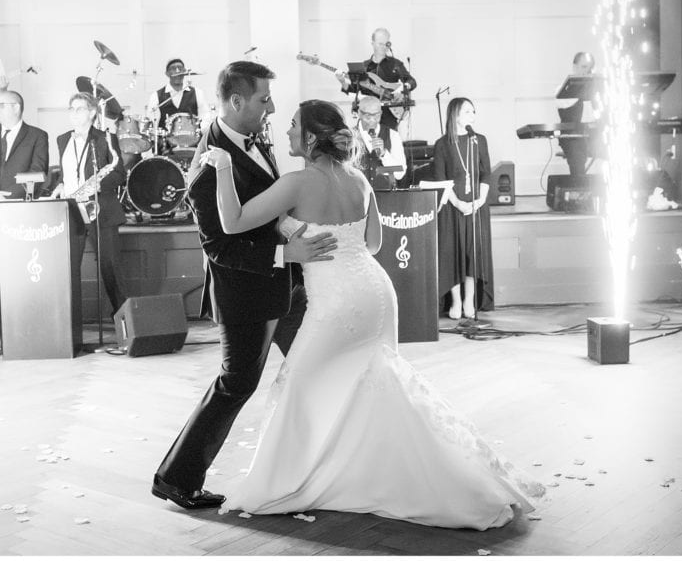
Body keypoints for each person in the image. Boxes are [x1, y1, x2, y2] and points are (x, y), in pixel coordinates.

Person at [198, 99, 542, 530]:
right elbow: (374, 243)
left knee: (301, 388)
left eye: (291, 126)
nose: (285, 131)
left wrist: (224, 167)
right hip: (376, 291)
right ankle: (398, 471)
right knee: (376, 388)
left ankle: (292, 482)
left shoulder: (297, 183)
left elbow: (231, 222)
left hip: (338, 302)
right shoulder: (358, 178)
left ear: (308, 138)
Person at [152, 61, 337, 510]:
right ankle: (177, 479)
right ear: (236, 102)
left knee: (316, 368)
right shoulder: (207, 162)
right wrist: (282, 254)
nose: (271, 107)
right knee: (237, 383)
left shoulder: (256, 140)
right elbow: (218, 245)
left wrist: (291, 231)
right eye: (263, 99)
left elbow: (268, 208)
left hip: (287, 286)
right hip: (247, 294)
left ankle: (328, 466)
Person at [50, 92, 129, 340]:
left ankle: (125, 327)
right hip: (73, 209)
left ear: (93, 112)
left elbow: (119, 175)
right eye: (71, 109)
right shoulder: (62, 139)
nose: (75, 113)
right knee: (68, 268)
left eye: (80, 108)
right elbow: (66, 173)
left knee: (110, 268)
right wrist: (61, 185)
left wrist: (99, 186)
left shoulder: (105, 138)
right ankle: (68, 327)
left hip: (101, 210)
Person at [433, 97, 494, 320]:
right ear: (455, 115)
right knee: (453, 253)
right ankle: (456, 301)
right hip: (452, 207)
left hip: (476, 206)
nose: (472, 115)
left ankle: (469, 300)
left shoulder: (479, 140)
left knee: (471, 254)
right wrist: (458, 203)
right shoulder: (442, 144)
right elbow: (440, 179)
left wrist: (479, 201)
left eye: (473, 111)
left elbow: (486, 173)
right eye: (467, 111)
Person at [0, 90, 49, 201]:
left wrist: (7, 197)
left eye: (1, 106)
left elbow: (37, 172)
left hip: (22, 204)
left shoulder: (37, 136)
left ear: (16, 108)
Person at [335, 27, 416, 131]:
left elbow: (411, 82)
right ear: (372, 43)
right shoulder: (364, 67)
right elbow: (352, 90)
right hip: (368, 115)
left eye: (386, 44)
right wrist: (342, 81)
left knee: (388, 144)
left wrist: (400, 90)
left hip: (389, 115)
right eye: (380, 44)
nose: (384, 47)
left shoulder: (395, 64)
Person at [146, 58, 213, 155]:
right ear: (167, 73)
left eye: (180, 68)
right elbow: (152, 122)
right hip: (166, 147)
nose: (177, 71)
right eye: (173, 68)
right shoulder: (156, 96)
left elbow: (206, 116)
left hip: (193, 145)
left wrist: (200, 132)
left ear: (185, 72)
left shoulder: (198, 93)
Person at [353, 96, 406, 190]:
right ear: (359, 113)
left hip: (386, 197)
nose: (372, 120)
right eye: (368, 115)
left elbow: (400, 174)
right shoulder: (349, 136)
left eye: (376, 115)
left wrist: (384, 155)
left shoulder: (392, 135)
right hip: (357, 197)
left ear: (381, 113)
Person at [557, 51, 595, 177]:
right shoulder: (562, 90)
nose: (587, 72)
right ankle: (579, 188)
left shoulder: (596, 90)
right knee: (577, 154)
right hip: (572, 137)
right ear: (574, 66)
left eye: (590, 69)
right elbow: (569, 114)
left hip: (593, 136)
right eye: (584, 67)